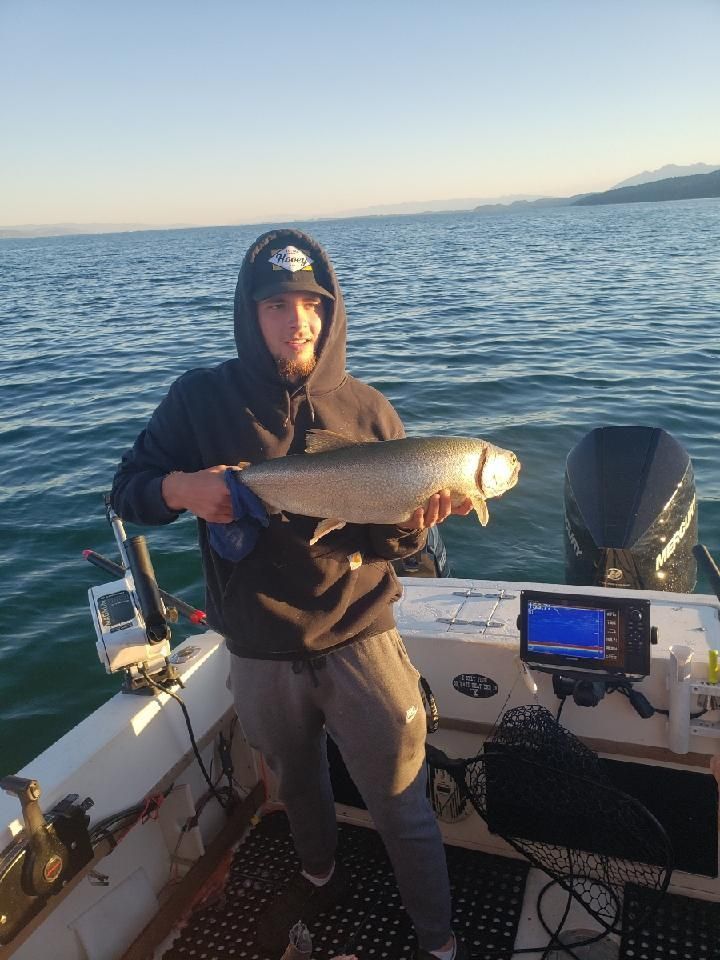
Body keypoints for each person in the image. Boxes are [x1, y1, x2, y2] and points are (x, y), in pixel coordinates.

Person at [111, 228, 471, 959]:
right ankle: (319, 874)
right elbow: (128, 492)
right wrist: (182, 487)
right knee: (297, 788)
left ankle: (437, 940)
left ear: (330, 312)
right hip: (259, 647)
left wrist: (413, 525)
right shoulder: (199, 400)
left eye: (311, 303)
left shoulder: (371, 413)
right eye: (277, 304)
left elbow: (390, 547)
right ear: (251, 314)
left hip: (360, 638)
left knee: (403, 803)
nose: (296, 320)